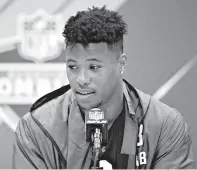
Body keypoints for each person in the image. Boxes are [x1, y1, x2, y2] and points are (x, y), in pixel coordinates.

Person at [12, 6, 195, 169]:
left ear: (121, 64)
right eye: (73, 67)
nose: (81, 79)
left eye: (94, 67)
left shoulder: (165, 125)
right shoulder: (36, 129)